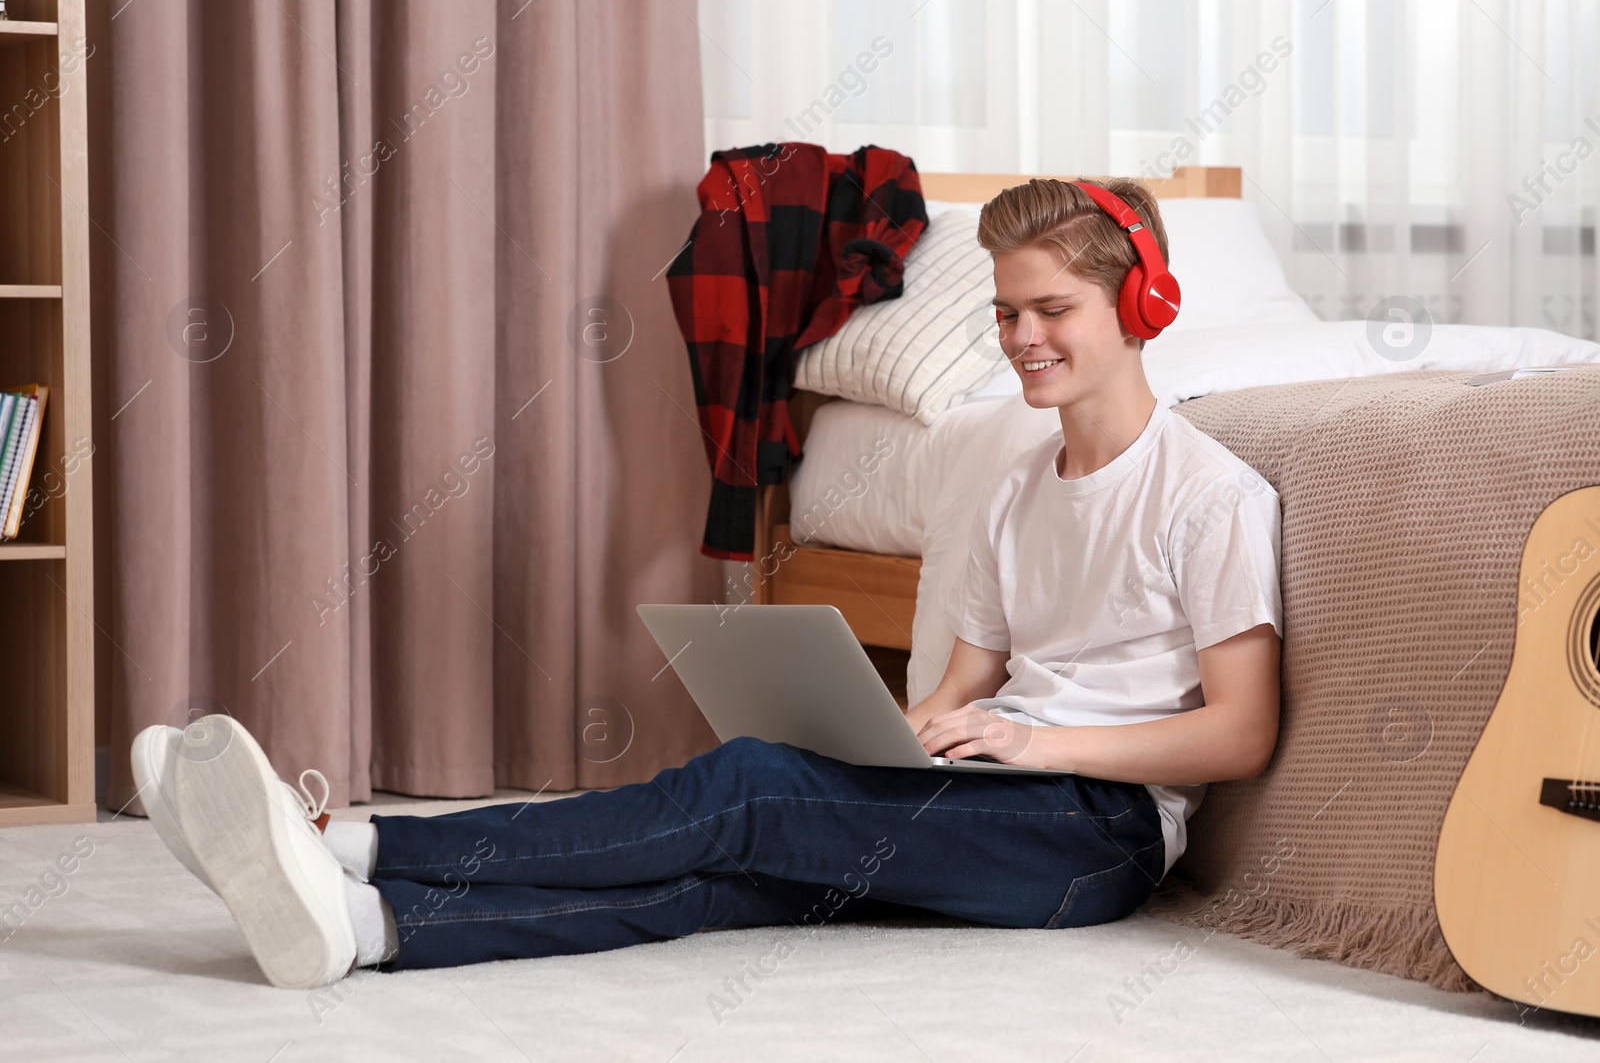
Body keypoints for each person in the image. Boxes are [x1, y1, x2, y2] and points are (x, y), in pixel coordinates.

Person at [132, 176, 1283, 990]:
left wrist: (1044, 748)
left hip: (1096, 834)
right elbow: (967, 687)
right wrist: (882, 744)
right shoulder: (1007, 485)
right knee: (729, 872)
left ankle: (348, 841)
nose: (1021, 336)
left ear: (1144, 307)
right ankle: (372, 929)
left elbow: (1236, 733)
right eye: (1004, 311)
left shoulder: (1209, 492)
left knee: (745, 791)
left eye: (1051, 310)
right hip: (997, 793)